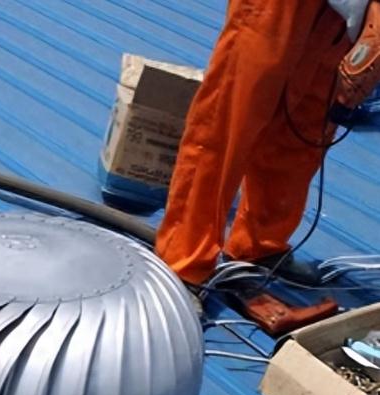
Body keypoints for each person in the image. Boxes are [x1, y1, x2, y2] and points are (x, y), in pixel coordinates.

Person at [156, 0, 369, 286]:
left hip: (344, 17)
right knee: (232, 117)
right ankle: (183, 262)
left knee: (307, 123)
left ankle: (259, 245)